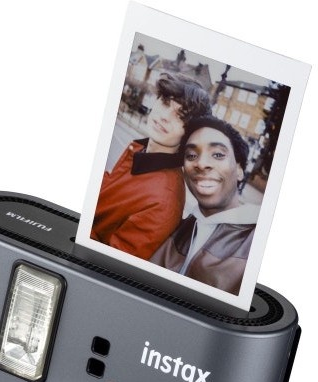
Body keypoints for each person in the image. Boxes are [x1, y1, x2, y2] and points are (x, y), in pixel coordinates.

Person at [90, 73, 212, 260]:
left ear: (190, 134)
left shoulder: (163, 202)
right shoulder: (141, 150)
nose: (165, 117)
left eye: (180, 116)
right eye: (165, 103)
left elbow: (107, 263)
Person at [150, 116, 260, 295]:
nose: (201, 164)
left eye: (218, 154)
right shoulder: (176, 225)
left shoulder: (257, 243)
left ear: (240, 170)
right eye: (191, 156)